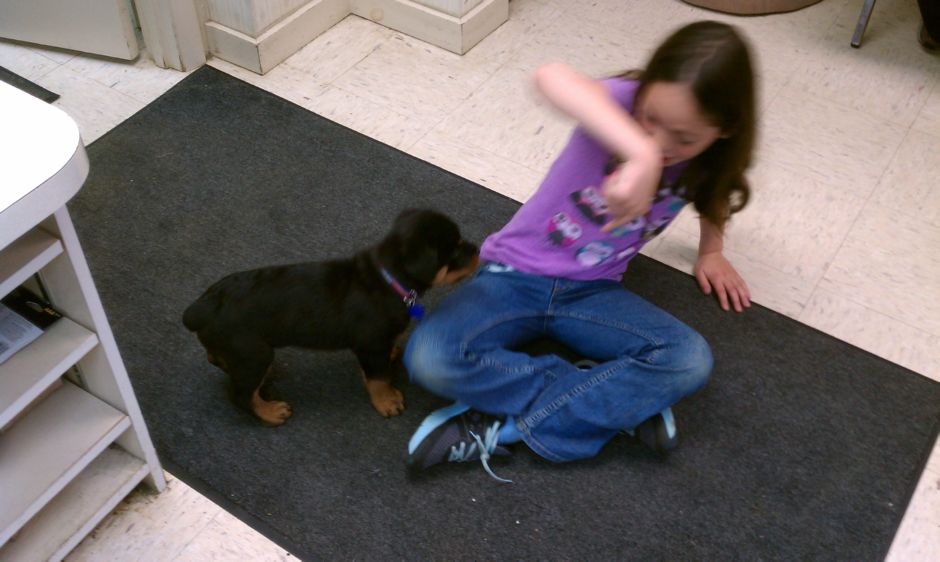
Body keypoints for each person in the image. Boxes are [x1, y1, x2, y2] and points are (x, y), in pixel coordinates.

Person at [404, 20, 756, 482]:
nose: (662, 142)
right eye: (651, 119)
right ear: (644, 90)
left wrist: (712, 251)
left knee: (688, 358)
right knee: (428, 357)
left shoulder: (709, 161)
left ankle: (508, 426)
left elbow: (717, 192)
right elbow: (550, 76)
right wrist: (641, 154)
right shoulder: (620, 101)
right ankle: (609, 399)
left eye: (684, 139)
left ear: (725, 130)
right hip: (512, 275)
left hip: (594, 291)